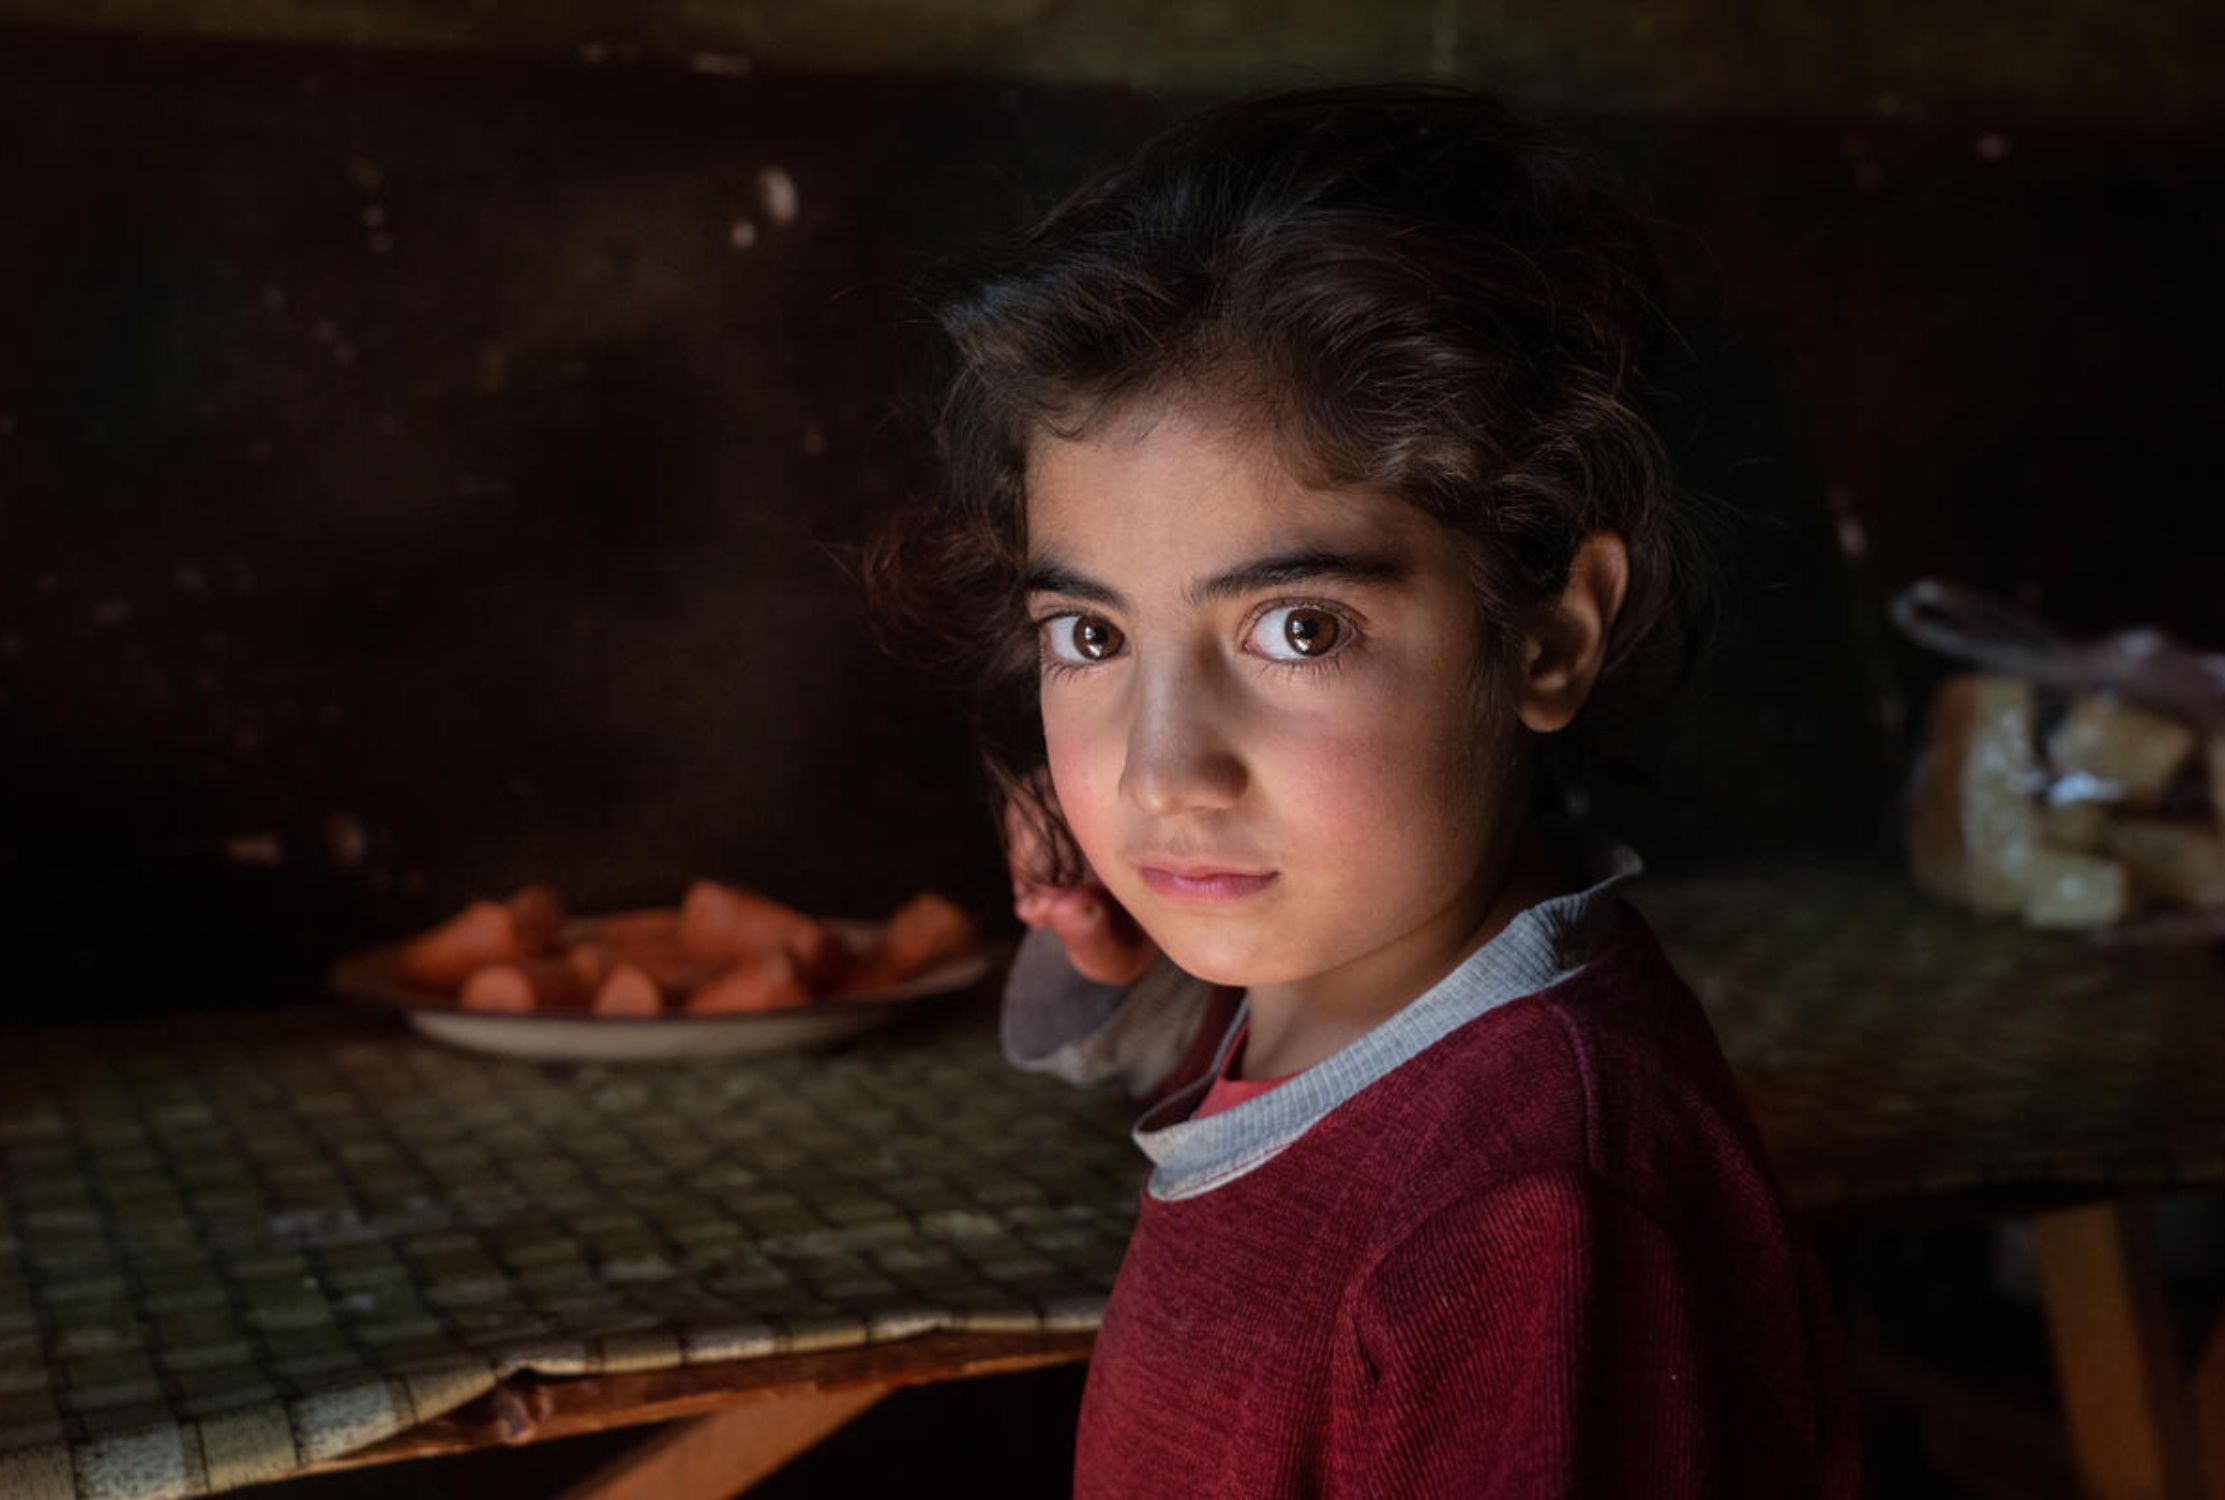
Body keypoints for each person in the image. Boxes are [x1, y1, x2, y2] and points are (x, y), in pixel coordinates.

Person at [858, 82, 1863, 1498]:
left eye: (1298, 629)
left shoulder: (1526, 1226)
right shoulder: (1341, 976)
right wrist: (1100, 935)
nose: (1162, 770)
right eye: (1092, 637)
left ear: (1550, 636)